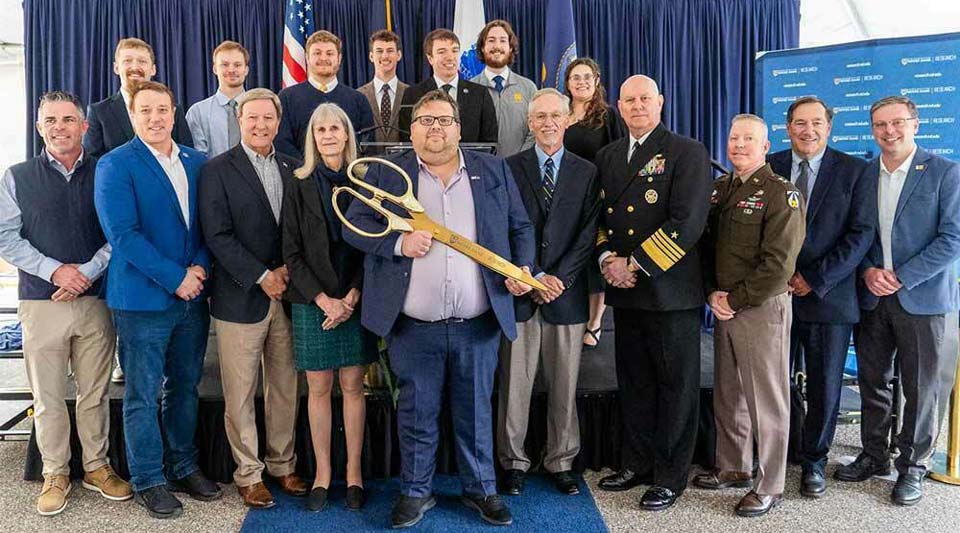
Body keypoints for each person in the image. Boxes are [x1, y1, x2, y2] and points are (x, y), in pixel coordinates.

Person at [344, 90, 535, 528]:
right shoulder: (388, 174)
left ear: (459, 128)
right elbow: (354, 226)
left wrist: (521, 268)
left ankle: (481, 489)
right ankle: (415, 492)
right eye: (426, 120)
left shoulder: (492, 170)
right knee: (416, 413)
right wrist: (397, 243)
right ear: (411, 131)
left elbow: (520, 226)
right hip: (413, 326)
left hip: (478, 323)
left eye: (444, 120)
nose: (436, 128)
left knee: (475, 411)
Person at [94, 81, 221, 519]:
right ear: (132, 115)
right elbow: (123, 236)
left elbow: (209, 227)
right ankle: (149, 478)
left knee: (184, 387)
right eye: (145, 110)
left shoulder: (197, 162)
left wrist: (199, 269)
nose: (155, 118)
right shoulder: (115, 164)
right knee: (143, 394)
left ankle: (183, 465)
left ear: (173, 112)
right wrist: (176, 279)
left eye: (162, 109)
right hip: (142, 302)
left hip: (192, 297)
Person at [0, 91, 130, 516]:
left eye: (68, 119)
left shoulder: (107, 171)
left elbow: (121, 232)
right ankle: (55, 472)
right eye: (51, 120)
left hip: (96, 299)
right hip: (42, 302)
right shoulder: (16, 176)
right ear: (39, 127)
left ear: (84, 126)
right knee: (49, 395)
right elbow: (6, 238)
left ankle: (96, 467)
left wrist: (86, 272)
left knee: (94, 392)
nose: (60, 127)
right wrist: (56, 271)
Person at [594, 75, 712, 512]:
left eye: (645, 98)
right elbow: (599, 219)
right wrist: (608, 261)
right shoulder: (607, 156)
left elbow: (687, 221)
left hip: (669, 291)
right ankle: (637, 462)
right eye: (629, 100)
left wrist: (635, 265)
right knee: (635, 382)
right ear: (619, 108)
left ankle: (669, 475)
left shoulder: (686, 151)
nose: (637, 106)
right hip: (625, 293)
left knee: (675, 387)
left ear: (660, 103)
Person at [834, 96, 960, 506]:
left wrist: (902, 277)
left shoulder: (945, 173)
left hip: (922, 299)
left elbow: (952, 239)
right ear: (872, 129)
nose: (889, 131)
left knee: (922, 388)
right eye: (880, 125)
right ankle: (874, 454)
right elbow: (856, 233)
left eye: (898, 123)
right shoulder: (863, 175)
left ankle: (913, 467)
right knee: (873, 381)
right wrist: (870, 270)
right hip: (871, 296)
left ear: (915, 124)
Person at [198, 88, 308, 508]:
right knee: (241, 393)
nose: (260, 125)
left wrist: (286, 274)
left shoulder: (293, 166)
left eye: (268, 118)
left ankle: (283, 465)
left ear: (278, 123)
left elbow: (300, 233)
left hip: (289, 296)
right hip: (241, 296)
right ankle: (248, 473)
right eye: (252, 118)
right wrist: (262, 275)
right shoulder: (217, 170)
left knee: (284, 387)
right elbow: (217, 236)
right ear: (239, 121)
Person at [696, 113, 805, 517]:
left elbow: (779, 264)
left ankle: (770, 483)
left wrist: (733, 299)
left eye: (748, 139)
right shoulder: (721, 188)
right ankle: (734, 467)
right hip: (723, 303)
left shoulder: (781, 193)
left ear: (765, 146)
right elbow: (706, 248)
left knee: (767, 399)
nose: (738, 145)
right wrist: (712, 292)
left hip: (759, 307)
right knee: (730, 391)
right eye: (733, 138)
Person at [767, 95, 872, 498]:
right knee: (775, 381)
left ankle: (814, 461)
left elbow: (861, 234)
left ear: (828, 127)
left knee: (825, 385)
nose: (807, 131)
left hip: (828, 297)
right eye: (799, 123)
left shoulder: (854, 171)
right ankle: (781, 451)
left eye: (816, 123)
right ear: (788, 127)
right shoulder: (771, 166)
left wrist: (814, 278)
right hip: (773, 296)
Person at [498, 88, 599, 497]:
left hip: (566, 295)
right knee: (514, 386)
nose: (547, 123)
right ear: (529, 122)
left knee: (564, 384)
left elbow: (588, 234)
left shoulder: (586, 171)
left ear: (567, 119)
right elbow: (502, 227)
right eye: (539, 117)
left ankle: (561, 460)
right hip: (521, 291)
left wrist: (559, 279)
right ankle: (514, 462)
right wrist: (533, 276)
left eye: (555, 116)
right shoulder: (509, 167)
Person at [282, 102, 377, 512]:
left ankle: (353, 475)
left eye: (335, 127)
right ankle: (322, 474)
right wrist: (324, 300)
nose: (328, 135)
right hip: (312, 302)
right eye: (320, 129)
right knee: (318, 391)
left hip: (355, 301)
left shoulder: (367, 181)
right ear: (312, 138)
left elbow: (373, 247)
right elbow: (292, 251)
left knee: (353, 389)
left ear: (347, 133)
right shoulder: (298, 182)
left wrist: (351, 297)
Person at [561, 58, 626, 349]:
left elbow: (620, 156)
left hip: (598, 197)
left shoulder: (608, 115)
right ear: (567, 82)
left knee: (593, 260)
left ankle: (595, 321)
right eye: (576, 77)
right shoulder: (560, 112)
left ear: (597, 80)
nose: (582, 82)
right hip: (565, 197)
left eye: (587, 77)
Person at [83, 37, 193, 158]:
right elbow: (92, 162)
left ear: (153, 69)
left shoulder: (174, 110)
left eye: (142, 61)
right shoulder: (99, 112)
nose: (135, 67)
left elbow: (186, 155)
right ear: (116, 68)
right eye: (127, 61)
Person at [276, 31, 375, 159]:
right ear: (307, 58)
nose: (323, 58)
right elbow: (282, 144)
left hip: (349, 175)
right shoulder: (286, 98)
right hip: (301, 175)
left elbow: (367, 145)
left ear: (339, 58)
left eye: (329, 53)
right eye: (317, 53)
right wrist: (308, 169)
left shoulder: (358, 100)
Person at [397, 29, 498, 144]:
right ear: (430, 58)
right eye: (442, 52)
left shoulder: (480, 94)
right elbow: (407, 140)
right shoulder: (413, 95)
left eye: (454, 51)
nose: (450, 57)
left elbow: (490, 141)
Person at [469, 19, 536, 157]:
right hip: (482, 167)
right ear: (482, 47)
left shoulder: (529, 88)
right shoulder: (470, 89)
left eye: (503, 40)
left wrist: (519, 160)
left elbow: (536, 128)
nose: (497, 46)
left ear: (511, 47)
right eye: (491, 40)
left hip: (520, 169)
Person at [186, 40, 250, 157]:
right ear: (215, 69)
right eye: (224, 65)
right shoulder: (197, 112)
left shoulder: (260, 109)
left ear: (246, 70)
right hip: (211, 174)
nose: (231, 70)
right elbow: (196, 157)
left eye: (237, 65)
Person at [357, 30, 409, 143]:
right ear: (371, 56)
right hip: (368, 159)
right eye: (379, 51)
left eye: (390, 51)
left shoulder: (411, 93)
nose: (385, 56)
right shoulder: (358, 95)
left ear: (399, 55)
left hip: (404, 160)